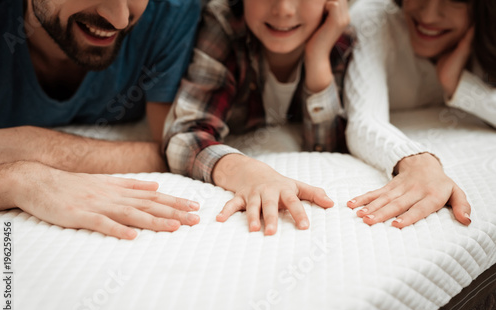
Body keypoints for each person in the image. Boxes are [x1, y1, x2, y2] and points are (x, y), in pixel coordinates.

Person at [0, 0, 202, 239]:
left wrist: (36, 147)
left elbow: (172, 151)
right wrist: (18, 180)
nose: (120, 20)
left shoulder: (171, 12)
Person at [164, 0, 354, 235]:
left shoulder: (339, 35)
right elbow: (183, 136)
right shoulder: (225, 23)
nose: (283, 10)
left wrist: (318, 57)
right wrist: (249, 173)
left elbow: (329, 148)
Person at [345, 0, 496, 228]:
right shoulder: (375, 16)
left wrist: (458, 84)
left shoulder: (484, 36)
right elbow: (363, 120)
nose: (429, 15)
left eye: (454, 1)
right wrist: (418, 161)